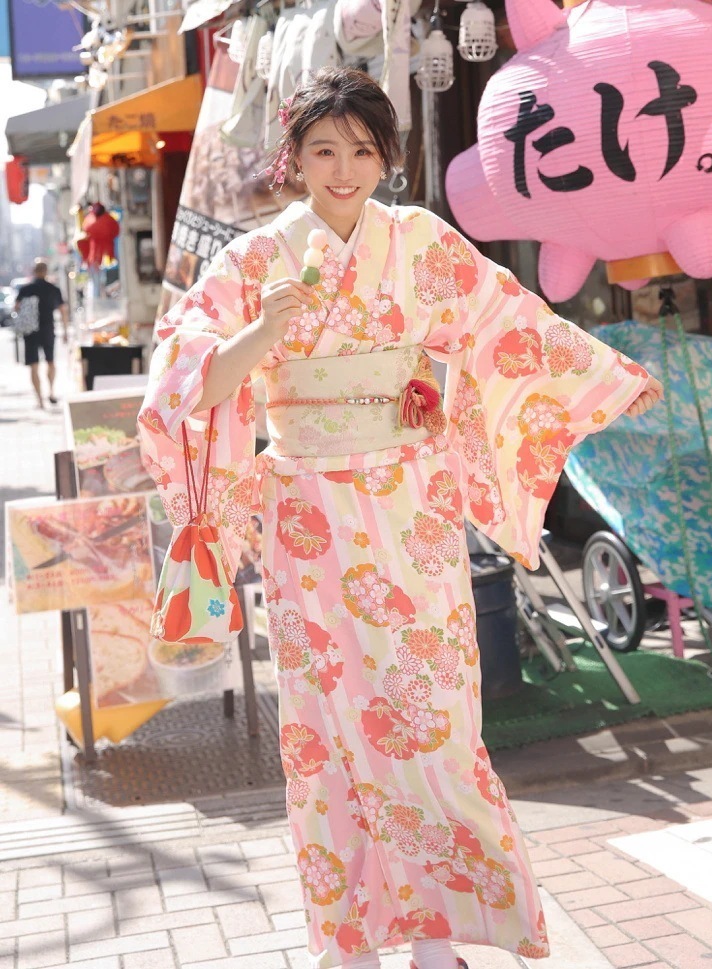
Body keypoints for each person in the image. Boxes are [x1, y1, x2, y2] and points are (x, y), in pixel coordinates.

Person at [139, 67, 662, 969]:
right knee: (328, 732)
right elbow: (179, 387)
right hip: (309, 520)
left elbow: (506, 324)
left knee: (434, 722)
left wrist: (603, 380)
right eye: (323, 150)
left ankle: (434, 937)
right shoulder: (254, 261)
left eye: (362, 150)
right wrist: (260, 336)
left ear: (388, 156)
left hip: (412, 511)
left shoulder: (420, 241)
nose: (343, 169)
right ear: (293, 159)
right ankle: (351, 943)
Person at [15, 259, 69, 408]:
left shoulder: (25, 289)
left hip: (30, 331)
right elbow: (63, 311)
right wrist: (65, 331)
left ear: (34, 271)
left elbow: (17, 307)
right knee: (50, 362)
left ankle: (39, 399)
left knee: (34, 365)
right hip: (47, 329)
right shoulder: (53, 289)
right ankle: (51, 392)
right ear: (46, 271)